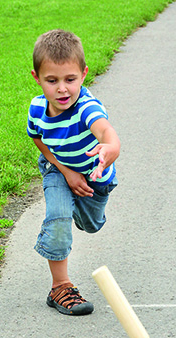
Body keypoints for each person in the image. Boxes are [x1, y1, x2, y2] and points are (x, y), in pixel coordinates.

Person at [26, 29, 121, 315]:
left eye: (70, 79)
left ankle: (76, 209)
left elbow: (105, 130)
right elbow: (38, 138)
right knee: (58, 219)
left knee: (91, 224)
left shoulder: (86, 107)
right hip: (58, 170)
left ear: (83, 74)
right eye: (51, 81)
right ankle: (61, 287)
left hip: (95, 179)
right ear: (37, 78)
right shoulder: (37, 108)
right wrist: (66, 172)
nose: (62, 89)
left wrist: (111, 147)